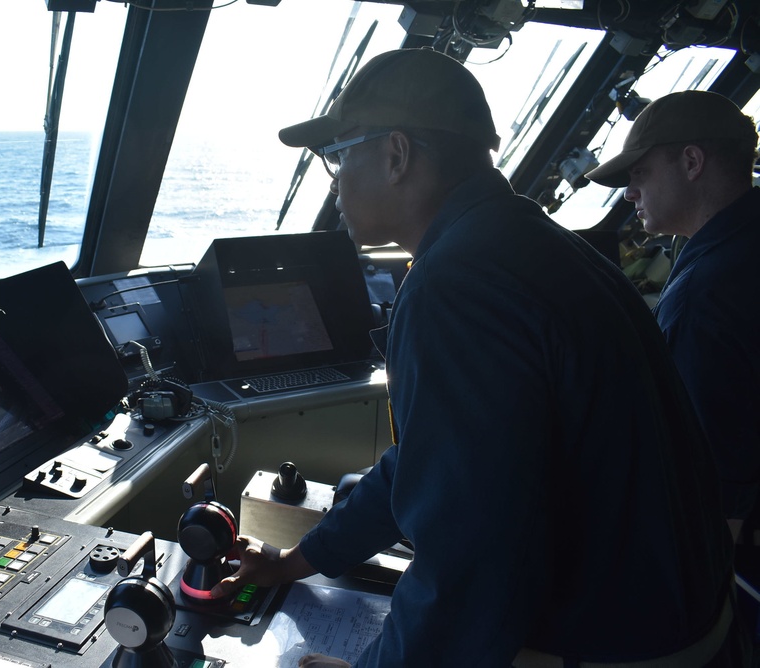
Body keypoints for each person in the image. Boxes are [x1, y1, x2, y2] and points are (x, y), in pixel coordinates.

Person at [211, 48, 748, 666]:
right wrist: (298, 561)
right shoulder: (531, 244)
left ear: (396, 155)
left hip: (620, 644)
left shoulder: (456, 287)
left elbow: (469, 558)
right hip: (684, 618)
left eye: (337, 154)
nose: (333, 181)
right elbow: (430, 463)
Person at [586, 90, 760, 549]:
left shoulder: (704, 297)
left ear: (691, 162)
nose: (629, 192)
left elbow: (710, 479)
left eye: (640, 173)